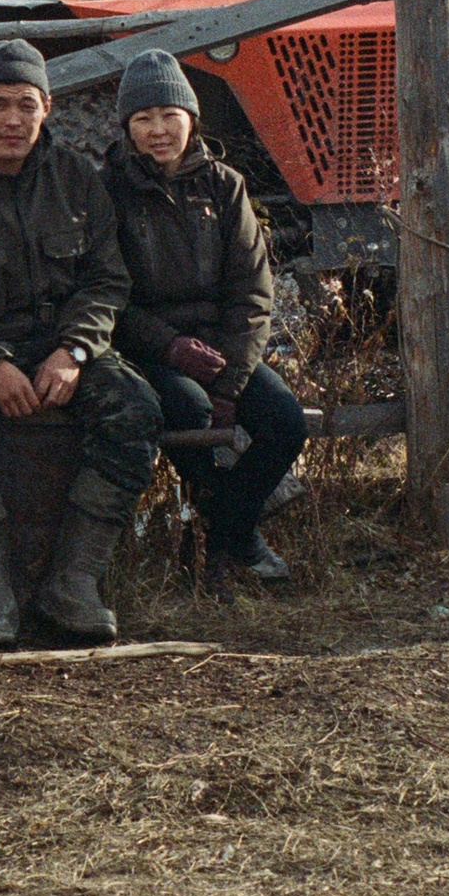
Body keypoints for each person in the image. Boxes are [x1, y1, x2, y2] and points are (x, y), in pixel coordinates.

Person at [0, 37, 160, 649]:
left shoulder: (79, 181)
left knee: (137, 409)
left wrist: (74, 352)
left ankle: (74, 582)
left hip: (63, 348)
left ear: (47, 107)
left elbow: (106, 280)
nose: (12, 120)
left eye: (25, 104)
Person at [102, 49, 304, 585]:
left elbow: (252, 289)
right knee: (188, 412)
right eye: (143, 119)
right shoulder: (108, 191)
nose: (159, 130)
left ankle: (224, 534)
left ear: (191, 118)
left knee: (284, 422)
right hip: (151, 350)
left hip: (222, 347)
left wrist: (233, 379)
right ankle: (236, 544)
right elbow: (106, 295)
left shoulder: (223, 184)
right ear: (128, 127)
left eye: (170, 114)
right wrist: (169, 347)